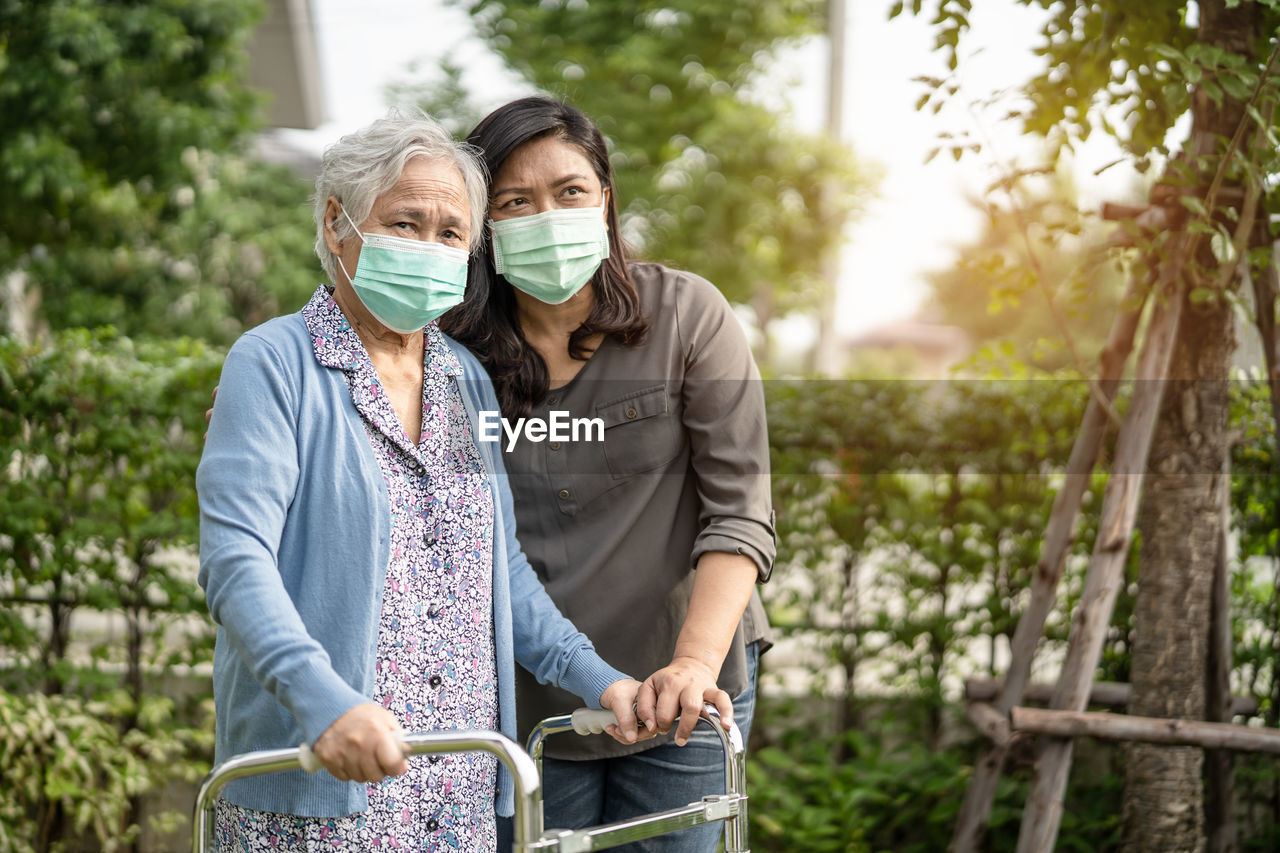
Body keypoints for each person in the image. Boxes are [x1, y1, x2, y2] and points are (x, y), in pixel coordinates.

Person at [196, 113, 652, 852]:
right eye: (406, 222)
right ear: (337, 224)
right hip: (320, 785)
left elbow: (498, 570)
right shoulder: (273, 363)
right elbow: (235, 563)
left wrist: (603, 681)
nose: (431, 248)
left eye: (450, 233)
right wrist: (324, 704)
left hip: (457, 791)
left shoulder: (463, 377)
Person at [440, 96, 775, 852]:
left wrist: (690, 663)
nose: (546, 216)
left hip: (684, 685)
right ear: (483, 225)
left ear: (605, 200)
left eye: (569, 192)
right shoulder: (446, 354)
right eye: (514, 202)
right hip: (528, 701)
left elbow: (740, 513)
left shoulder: (690, 315)